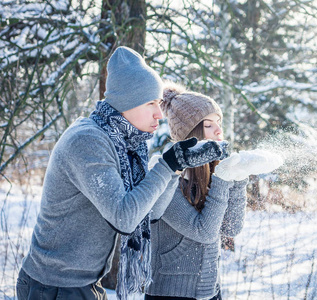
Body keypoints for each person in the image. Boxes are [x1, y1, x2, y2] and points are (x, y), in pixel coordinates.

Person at [16, 46, 228, 300]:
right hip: (52, 286)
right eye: (151, 103)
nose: (159, 114)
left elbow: (150, 212)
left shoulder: (128, 143)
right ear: (127, 102)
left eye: (159, 103)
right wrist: (166, 166)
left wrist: (175, 167)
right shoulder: (87, 141)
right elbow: (124, 218)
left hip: (84, 283)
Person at [145, 82, 283, 300]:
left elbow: (231, 227)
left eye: (219, 122)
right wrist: (223, 179)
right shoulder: (165, 176)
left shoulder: (211, 172)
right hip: (171, 293)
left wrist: (238, 177)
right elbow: (205, 232)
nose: (219, 130)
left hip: (210, 290)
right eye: (208, 125)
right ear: (190, 134)